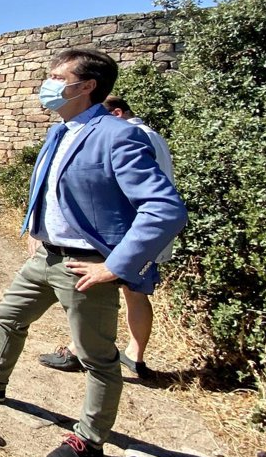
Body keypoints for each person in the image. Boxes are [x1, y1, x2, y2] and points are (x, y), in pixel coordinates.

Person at [0, 49, 187, 457]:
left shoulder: (118, 135)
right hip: (46, 255)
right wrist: (35, 229)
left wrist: (115, 266)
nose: (48, 83)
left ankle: (90, 441)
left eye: (58, 76)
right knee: (9, 315)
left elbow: (165, 209)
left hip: (85, 266)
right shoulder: (61, 131)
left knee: (96, 357)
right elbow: (50, 188)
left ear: (87, 86)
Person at [39, 95, 175, 379]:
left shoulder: (127, 136)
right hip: (144, 235)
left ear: (116, 113)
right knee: (135, 294)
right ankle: (135, 355)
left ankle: (81, 352)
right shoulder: (152, 135)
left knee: (91, 293)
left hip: (126, 235)